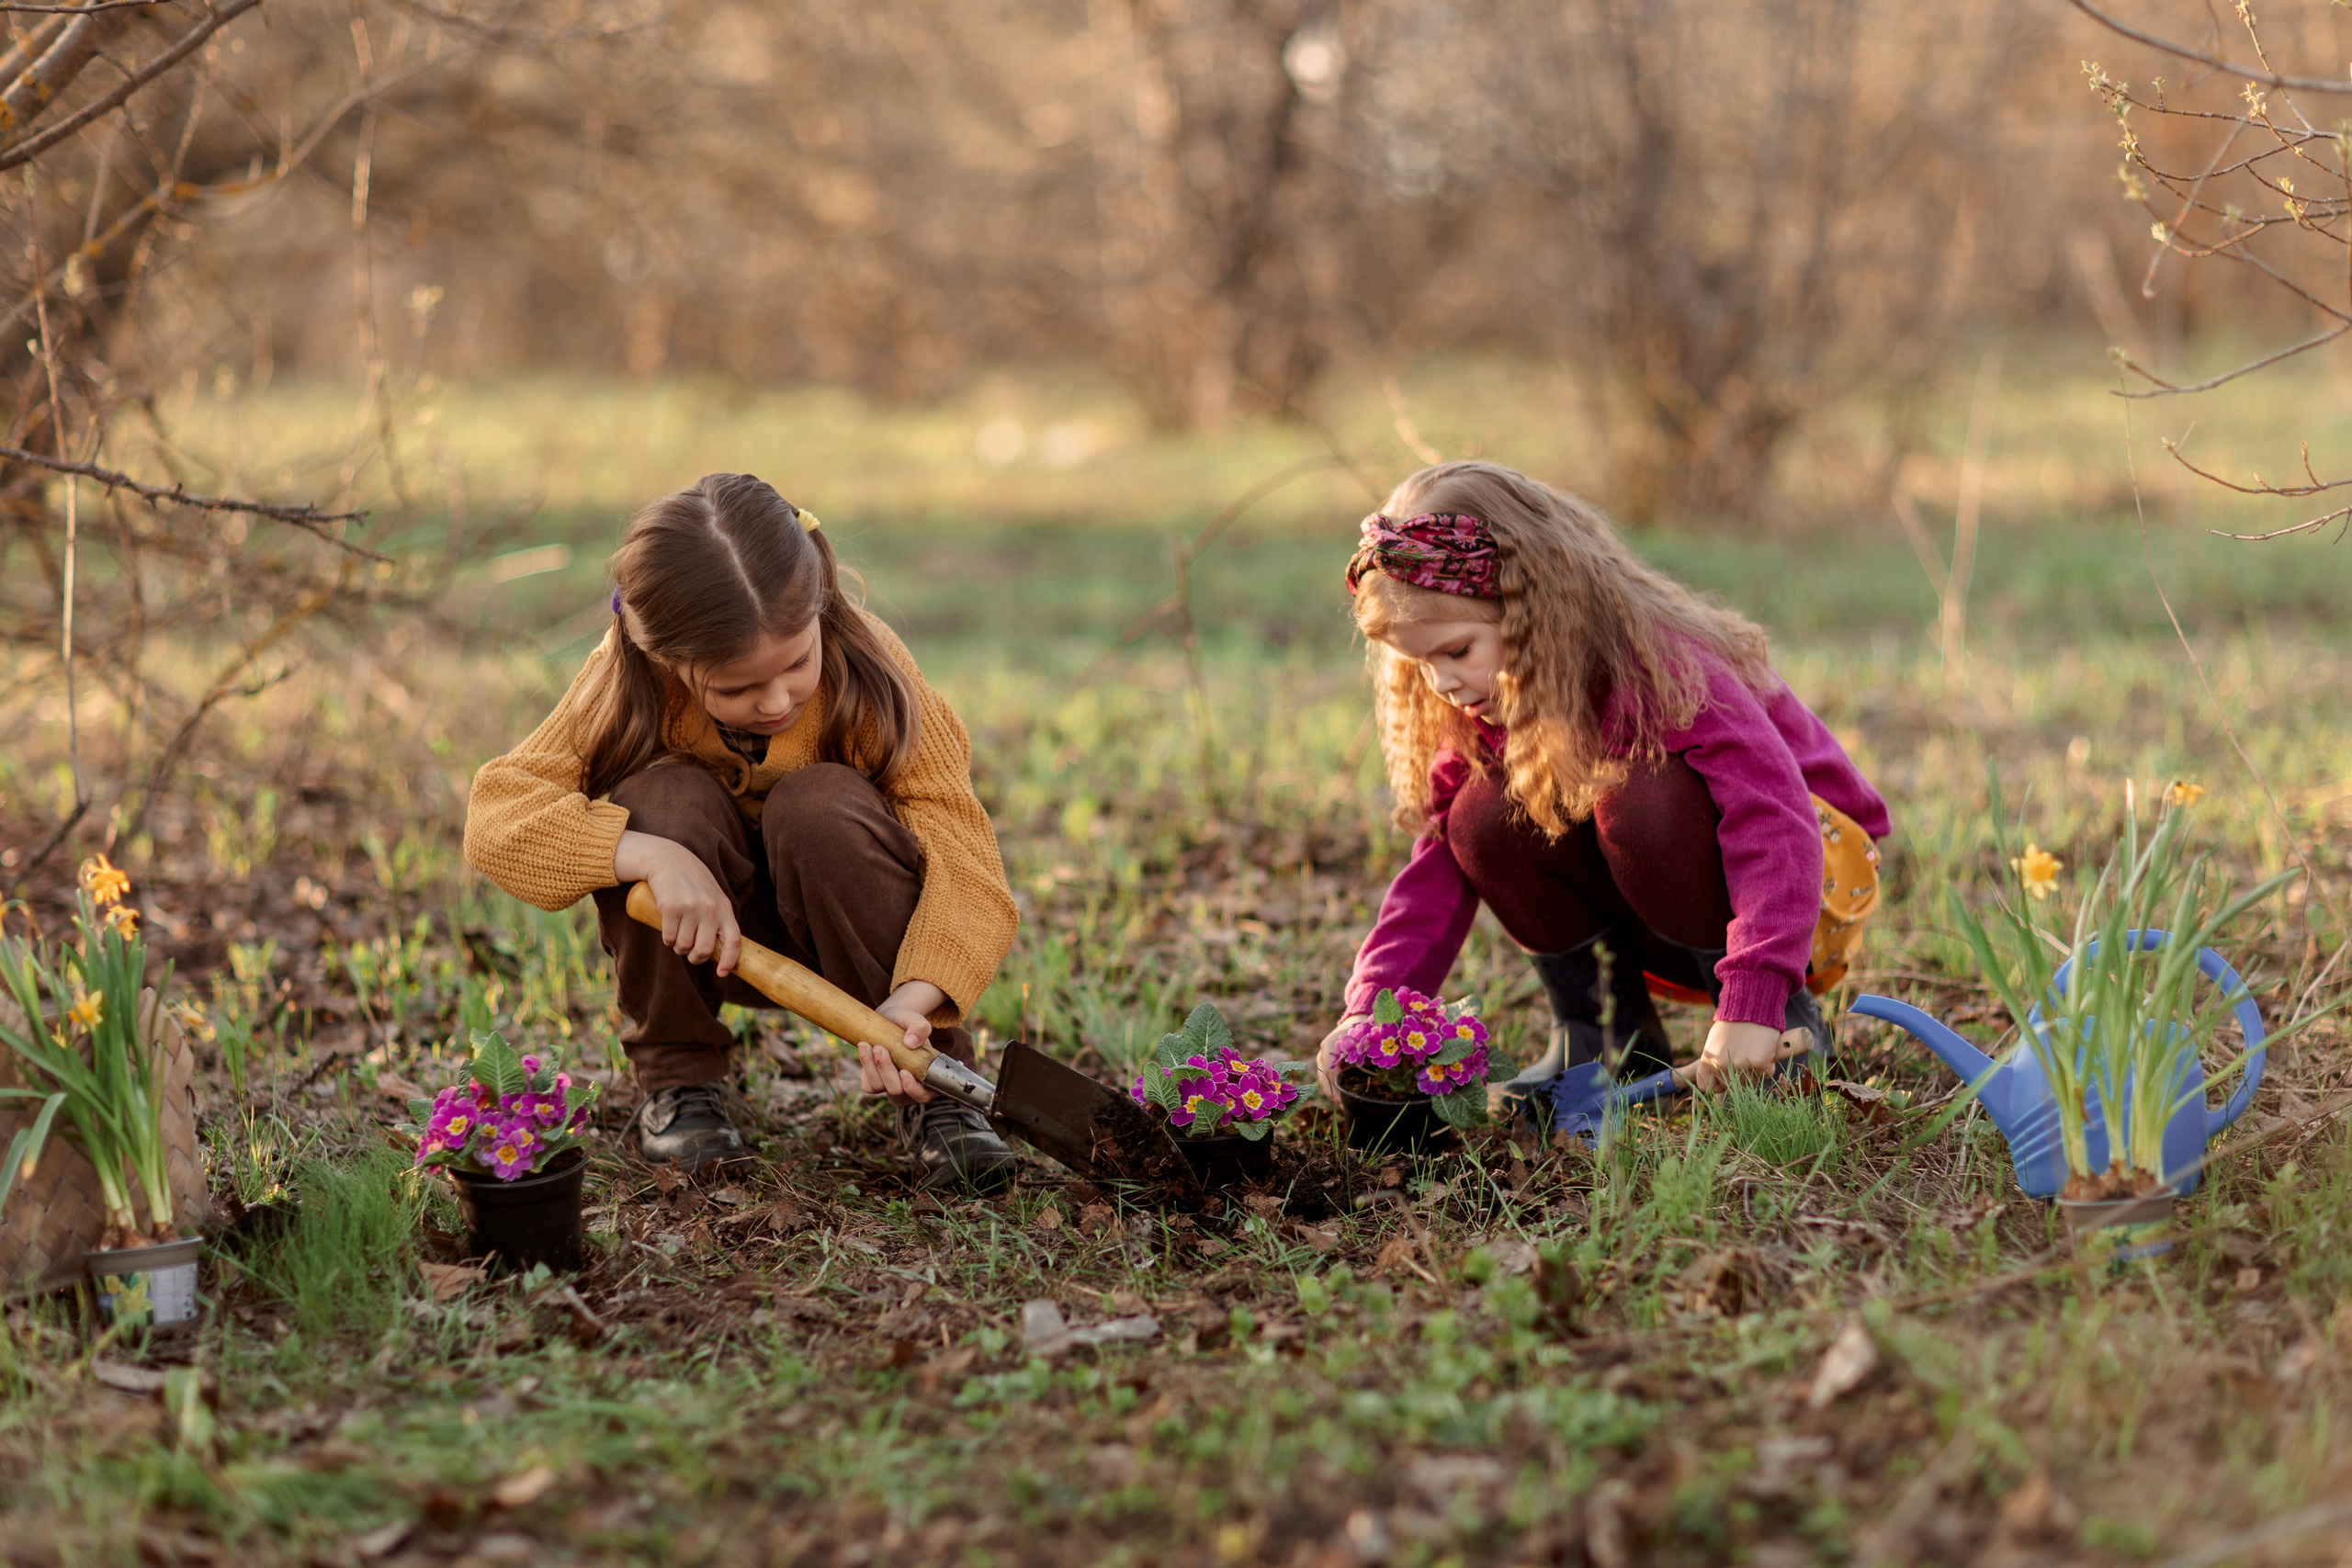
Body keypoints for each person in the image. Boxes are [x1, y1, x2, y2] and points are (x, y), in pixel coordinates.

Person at [463, 473, 1021, 1186]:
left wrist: (916, 996)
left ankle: (935, 1084)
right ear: (667, 658)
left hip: (861, 938)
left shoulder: (870, 671)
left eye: (796, 665)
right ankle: (680, 1082)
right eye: (736, 688)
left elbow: (964, 855)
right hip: (702, 936)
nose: (778, 697)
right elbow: (498, 811)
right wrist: (646, 853)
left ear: (820, 601)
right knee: (660, 801)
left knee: (818, 803)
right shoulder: (629, 677)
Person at [1317, 461, 1890, 1111]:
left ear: (1530, 609)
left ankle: (1783, 1026)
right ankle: (1606, 1041)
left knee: (1639, 794)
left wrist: (1756, 995)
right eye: (1421, 663)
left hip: (1809, 890)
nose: (1441, 682)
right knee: (1475, 816)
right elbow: (1439, 868)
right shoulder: (1480, 705)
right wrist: (1369, 1011)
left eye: (1456, 651)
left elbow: (1775, 819)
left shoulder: (1661, 667)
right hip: (1659, 908)